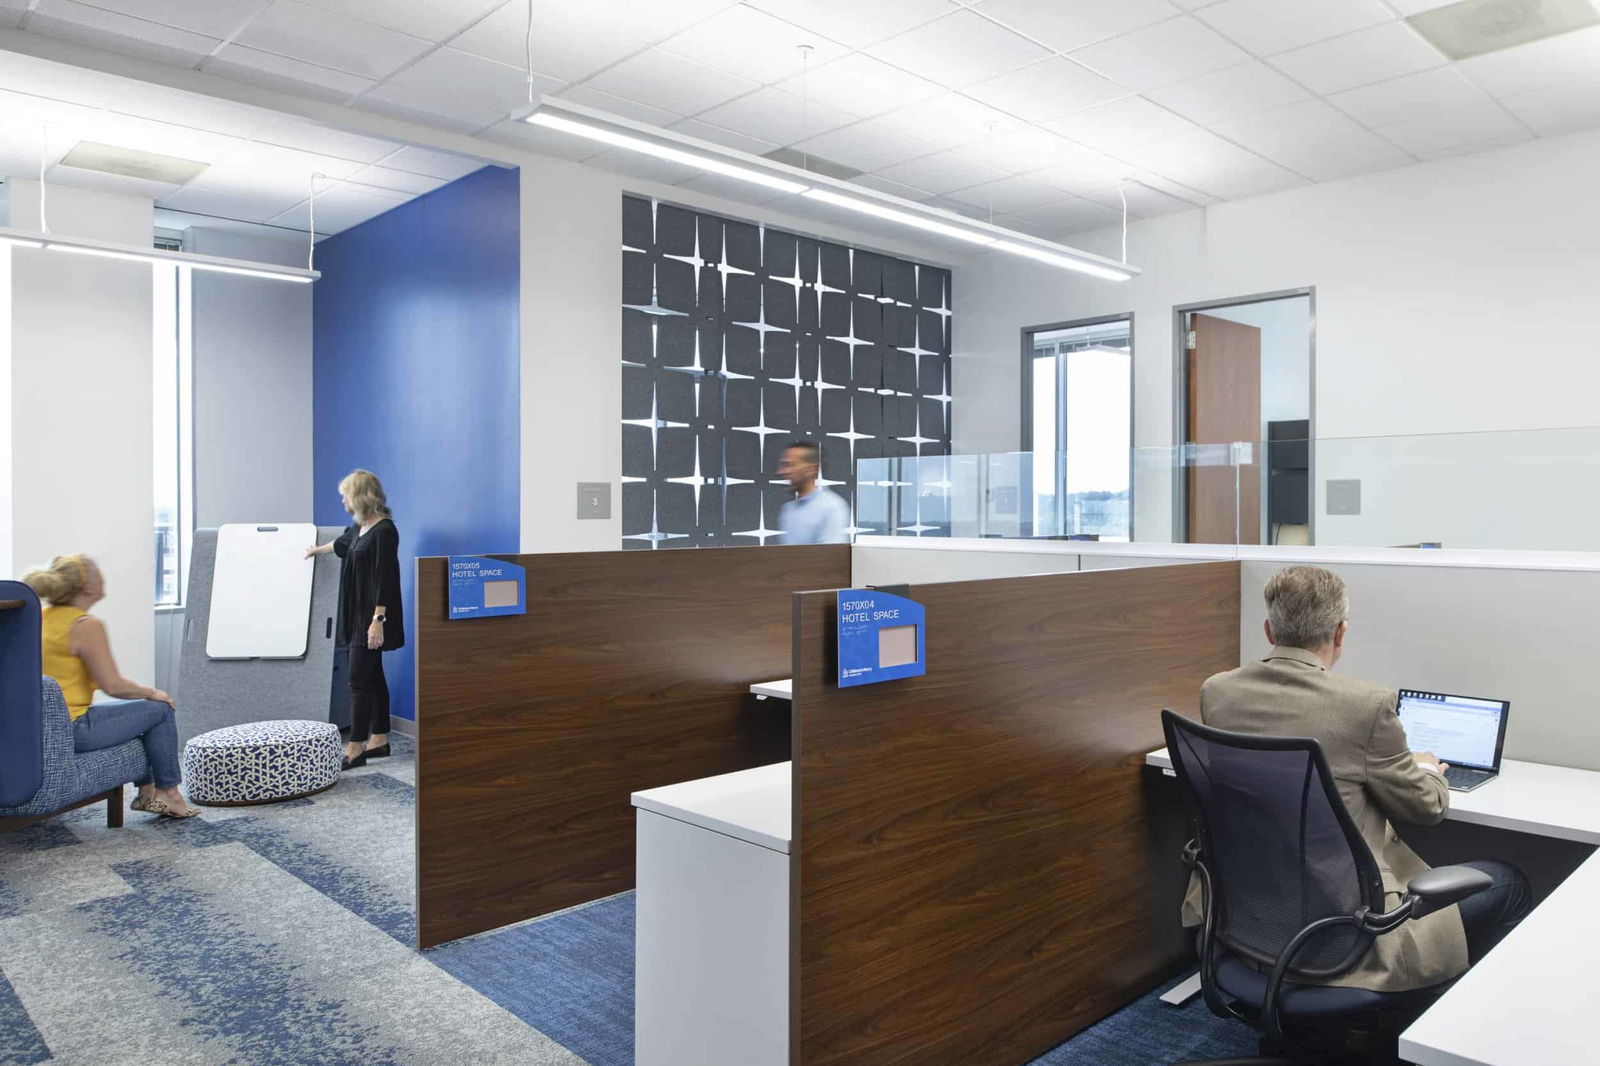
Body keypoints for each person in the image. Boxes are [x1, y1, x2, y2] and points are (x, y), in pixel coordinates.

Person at [1186, 564, 1531, 992]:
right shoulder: (1365, 706)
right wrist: (1425, 767)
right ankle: (1435, 1031)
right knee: (1509, 881)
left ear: (1269, 631)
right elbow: (1427, 809)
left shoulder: (1217, 691)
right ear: (1340, 634)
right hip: (1349, 929)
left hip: (1250, 915)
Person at [21, 555, 197, 818]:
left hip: (39, 728)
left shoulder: (39, 617)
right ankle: (169, 794)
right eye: (98, 574)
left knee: (140, 715)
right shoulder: (85, 625)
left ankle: (148, 793)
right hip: (74, 727)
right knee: (159, 709)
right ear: (87, 587)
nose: (103, 578)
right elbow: (112, 685)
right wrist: (152, 692)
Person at [307, 470, 404, 770]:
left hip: (372, 616)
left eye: (346, 493)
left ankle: (355, 746)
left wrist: (378, 620)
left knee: (357, 681)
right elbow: (341, 545)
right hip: (355, 614)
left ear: (361, 494)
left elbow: (385, 579)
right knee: (373, 677)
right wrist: (314, 550)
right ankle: (379, 740)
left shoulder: (385, 531)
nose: (342, 499)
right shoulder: (359, 527)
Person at [776, 440, 850, 545]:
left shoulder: (832, 507)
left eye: (788, 465)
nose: (782, 472)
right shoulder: (788, 509)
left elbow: (830, 557)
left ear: (811, 469)